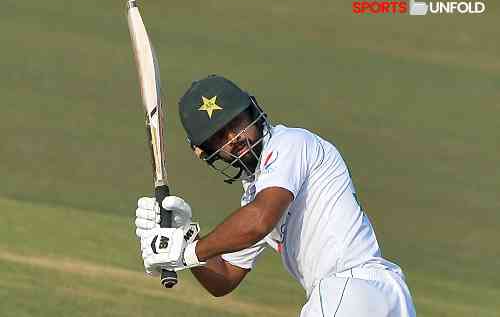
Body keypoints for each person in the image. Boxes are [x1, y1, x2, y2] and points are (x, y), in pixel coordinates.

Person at [134, 75, 416, 316]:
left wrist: (189, 252)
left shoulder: (289, 144)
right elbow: (225, 278)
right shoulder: (256, 194)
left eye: (236, 123)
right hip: (380, 295)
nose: (234, 138)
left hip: (349, 287)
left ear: (252, 111)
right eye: (220, 137)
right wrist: (186, 236)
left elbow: (260, 221)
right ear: (209, 152)